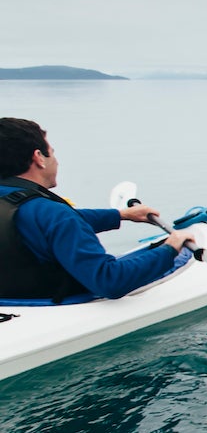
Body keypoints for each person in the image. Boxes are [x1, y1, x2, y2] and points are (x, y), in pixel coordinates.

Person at [0, 117, 196, 303]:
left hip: (11, 300)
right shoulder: (53, 214)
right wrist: (171, 248)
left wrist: (120, 215)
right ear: (39, 158)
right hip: (52, 304)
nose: (57, 161)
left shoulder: (21, 205)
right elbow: (109, 282)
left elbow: (47, 223)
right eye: (52, 152)